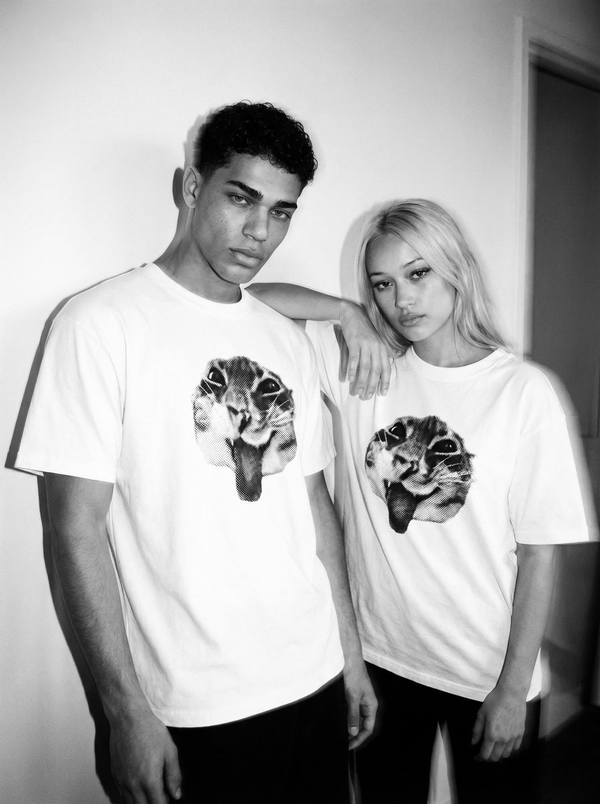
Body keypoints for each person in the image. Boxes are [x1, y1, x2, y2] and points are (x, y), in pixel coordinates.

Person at [15, 101, 377, 804]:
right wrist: (124, 712)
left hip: (315, 676)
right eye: (241, 198)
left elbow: (314, 506)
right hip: (197, 704)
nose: (260, 231)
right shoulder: (99, 324)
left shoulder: (287, 338)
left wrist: (350, 655)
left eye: (281, 211)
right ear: (190, 186)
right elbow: (74, 529)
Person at [248, 198, 595, 803]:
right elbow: (252, 299)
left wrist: (512, 690)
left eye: (418, 273)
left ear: (455, 269)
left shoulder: (522, 392)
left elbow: (540, 556)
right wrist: (347, 314)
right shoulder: (363, 368)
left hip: (487, 672)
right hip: (382, 662)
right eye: (382, 284)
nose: (401, 300)